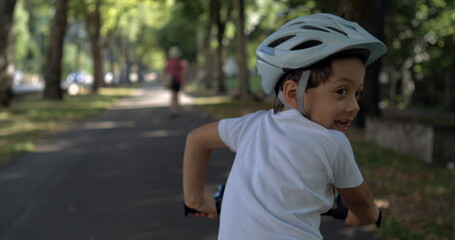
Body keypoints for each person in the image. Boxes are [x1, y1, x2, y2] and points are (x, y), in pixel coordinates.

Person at [183, 13, 386, 240]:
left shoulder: (251, 126)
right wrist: (366, 216)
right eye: (341, 92)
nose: (354, 106)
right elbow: (361, 202)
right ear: (292, 93)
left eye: (357, 93)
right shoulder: (333, 143)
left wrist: (196, 199)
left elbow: (197, 140)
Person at [164, 46, 187, 118]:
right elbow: (182, 72)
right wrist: (183, 82)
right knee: (176, 95)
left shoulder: (169, 62)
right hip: (177, 80)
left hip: (172, 80)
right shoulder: (178, 62)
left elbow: (167, 72)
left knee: (173, 95)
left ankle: (173, 109)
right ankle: (176, 109)